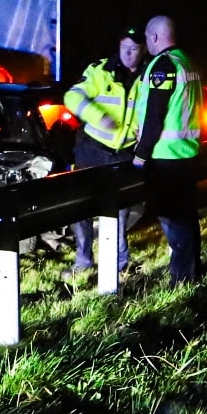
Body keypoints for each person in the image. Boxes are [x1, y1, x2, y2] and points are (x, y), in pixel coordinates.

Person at [124, 14, 204, 282]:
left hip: (166, 157)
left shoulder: (163, 66)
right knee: (186, 218)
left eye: (147, 38)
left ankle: (182, 280)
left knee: (174, 220)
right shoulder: (186, 60)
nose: (146, 43)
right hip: (187, 152)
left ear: (155, 37)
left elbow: (154, 115)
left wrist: (140, 155)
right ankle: (192, 273)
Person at [64, 27, 144, 273]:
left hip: (124, 151)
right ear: (119, 46)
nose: (128, 55)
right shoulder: (100, 71)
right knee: (83, 208)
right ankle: (83, 261)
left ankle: (120, 263)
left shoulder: (148, 75)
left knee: (120, 211)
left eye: (134, 49)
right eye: (125, 48)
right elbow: (73, 97)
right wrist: (98, 117)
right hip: (92, 148)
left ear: (143, 50)